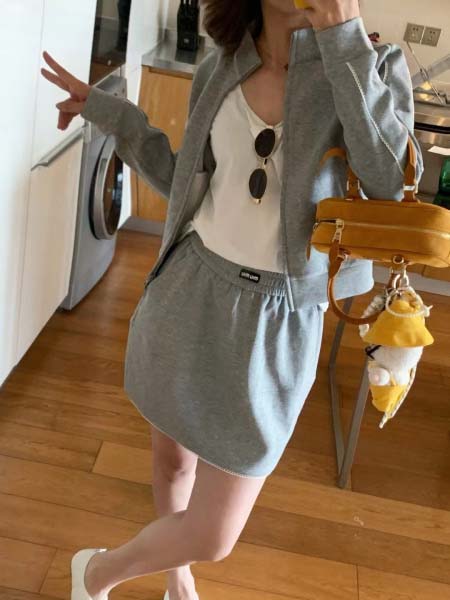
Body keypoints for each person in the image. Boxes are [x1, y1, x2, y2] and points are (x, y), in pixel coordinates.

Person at [40, 1, 423, 599]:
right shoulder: (220, 68)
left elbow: (389, 186)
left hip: (278, 323)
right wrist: (109, 111)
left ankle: (95, 572)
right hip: (190, 291)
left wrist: (344, 39)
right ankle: (176, 576)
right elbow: (185, 181)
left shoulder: (368, 65)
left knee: (216, 534)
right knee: (173, 464)